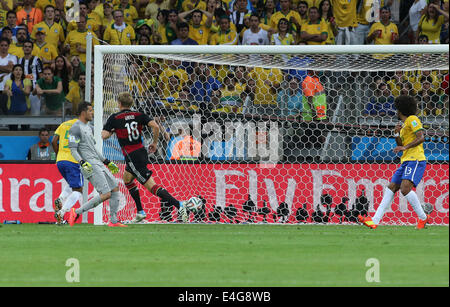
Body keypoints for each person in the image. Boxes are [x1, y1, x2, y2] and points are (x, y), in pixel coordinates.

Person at [101, 92, 190, 223]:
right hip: (141, 152)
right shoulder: (139, 115)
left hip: (132, 157)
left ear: (119, 104)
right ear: (131, 103)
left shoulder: (114, 118)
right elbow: (155, 125)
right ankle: (140, 212)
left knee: (151, 186)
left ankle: (179, 205)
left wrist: (113, 131)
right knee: (127, 179)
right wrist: (154, 142)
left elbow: (104, 135)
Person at [359, 95, 430, 230]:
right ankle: (374, 220)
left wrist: (405, 147)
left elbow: (421, 138)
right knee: (391, 187)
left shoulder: (413, 119)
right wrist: (397, 135)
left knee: (405, 189)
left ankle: (423, 217)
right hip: (406, 161)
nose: (396, 112)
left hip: (415, 159)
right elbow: (401, 144)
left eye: (397, 109)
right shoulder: (403, 126)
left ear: (401, 109)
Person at [67, 102, 124, 227]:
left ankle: (114, 221)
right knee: (106, 194)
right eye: (90, 110)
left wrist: (106, 161)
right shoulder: (75, 128)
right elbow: (73, 150)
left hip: (98, 163)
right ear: (83, 112)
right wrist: (82, 163)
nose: (92, 113)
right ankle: (76, 212)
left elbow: (93, 149)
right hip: (89, 164)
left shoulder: (89, 127)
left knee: (114, 187)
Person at [51, 118, 83, 225]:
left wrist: (58, 154)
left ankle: (60, 199)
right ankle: (62, 212)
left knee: (72, 185)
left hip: (60, 160)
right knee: (78, 190)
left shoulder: (63, 124)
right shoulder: (81, 125)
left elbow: (54, 141)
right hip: (73, 160)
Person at [19, 39, 43, 116]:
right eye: (25, 46)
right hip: (23, 89)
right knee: (23, 111)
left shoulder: (36, 60)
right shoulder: (20, 60)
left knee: (35, 112)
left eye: (29, 47)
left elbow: (41, 75)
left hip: (34, 90)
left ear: (32, 49)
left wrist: (38, 88)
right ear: (22, 48)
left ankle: (35, 128)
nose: (27, 48)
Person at [4, 63, 32, 130]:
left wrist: (22, 89)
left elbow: (28, 93)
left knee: (25, 129)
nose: (18, 71)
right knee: (12, 130)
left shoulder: (27, 81)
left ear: (23, 72)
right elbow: (5, 90)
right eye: (16, 70)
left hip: (25, 110)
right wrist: (7, 91)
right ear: (13, 72)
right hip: (12, 109)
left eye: (20, 70)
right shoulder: (9, 81)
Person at [0, 37, 17, 115]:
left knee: (6, 107)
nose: (4, 47)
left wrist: (6, 68)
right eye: (2, 45)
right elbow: (8, 69)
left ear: (8, 46)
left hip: (7, 87)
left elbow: (11, 70)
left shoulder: (12, 57)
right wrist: (6, 67)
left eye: (5, 45)